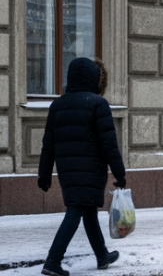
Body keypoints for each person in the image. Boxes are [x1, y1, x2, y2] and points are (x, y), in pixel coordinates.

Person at [38, 57, 127, 276]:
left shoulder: (58, 105)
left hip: (67, 171)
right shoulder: (97, 103)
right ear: (94, 79)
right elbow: (109, 144)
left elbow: (47, 144)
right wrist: (119, 173)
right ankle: (53, 261)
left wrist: (44, 174)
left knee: (87, 211)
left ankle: (102, 255)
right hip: (91, 169)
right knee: (77, 210)